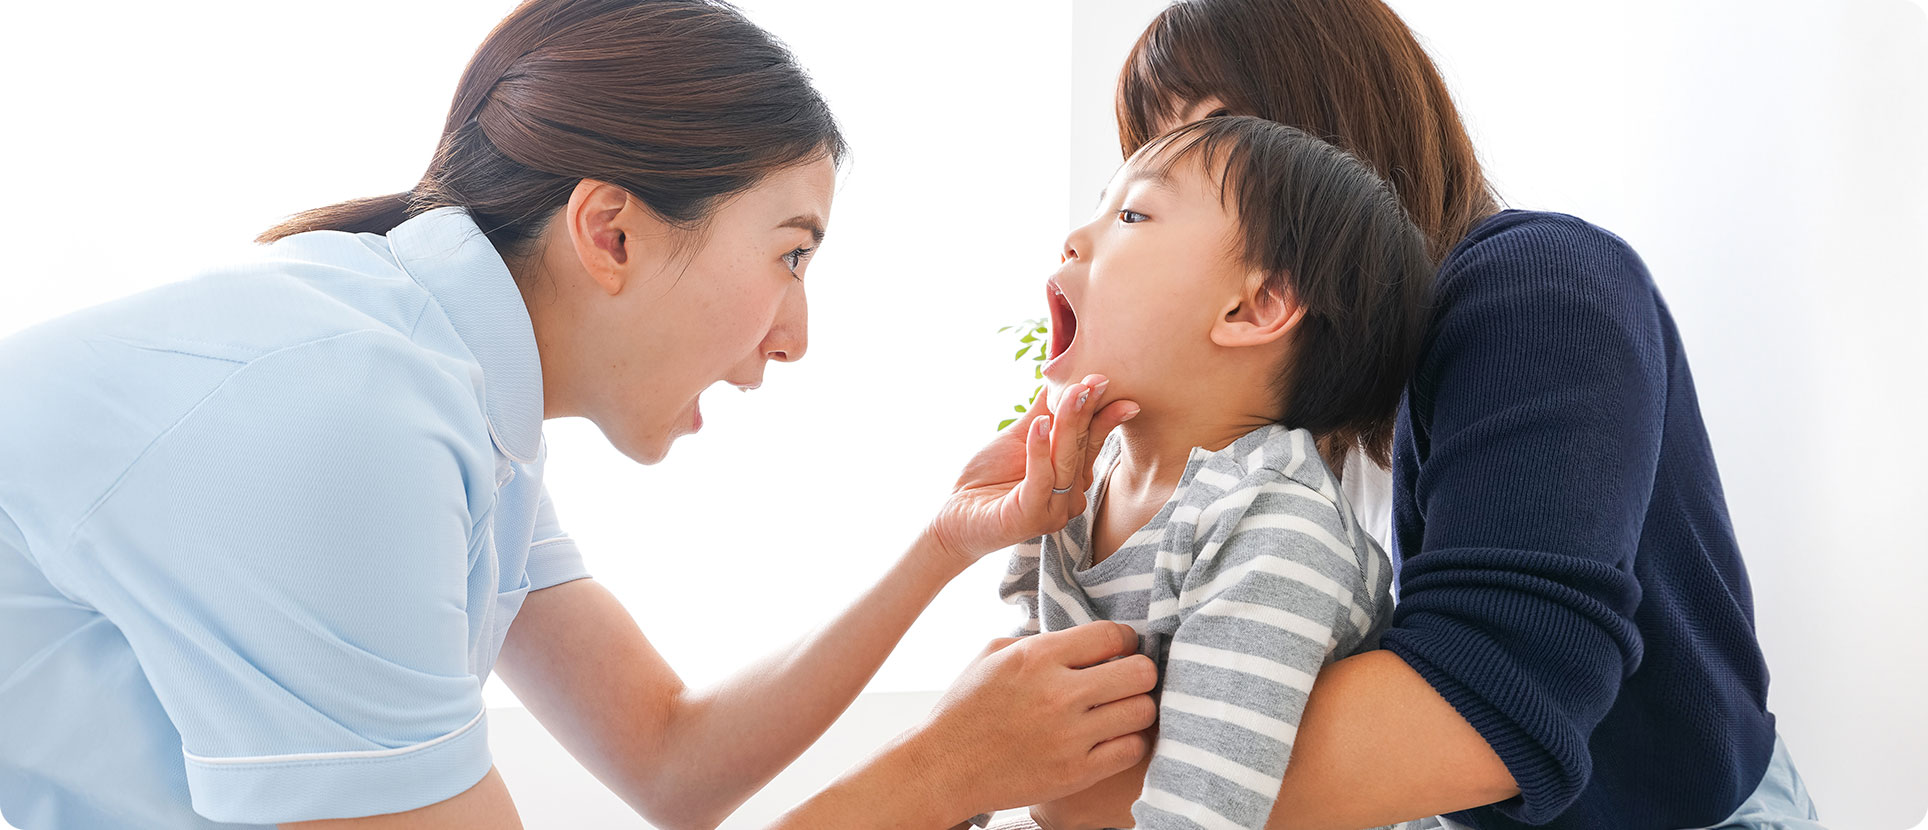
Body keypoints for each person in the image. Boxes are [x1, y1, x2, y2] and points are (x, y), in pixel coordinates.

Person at [0, 2, 1158, 828]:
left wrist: (942, 544)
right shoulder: (348, 415)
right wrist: (936, 773)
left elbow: (669, 760)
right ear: (609, 231)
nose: (796, 333)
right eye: (792, 253)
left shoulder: (439, 388)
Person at [1027, 1, 1821, 828]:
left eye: (1221, 131)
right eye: (1150, 164)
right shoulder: (1276, 413)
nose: (1196, 168)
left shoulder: (1540, 287)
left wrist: (1069, 785)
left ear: (1341, 113)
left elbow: (1487, 705)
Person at [990, 116, 1433, 830]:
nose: (1076, 237)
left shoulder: (1272, 522)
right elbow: (1017, 724)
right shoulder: (1078, 487)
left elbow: (1202, 813)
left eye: (1132, 214)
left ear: (1253, 307)